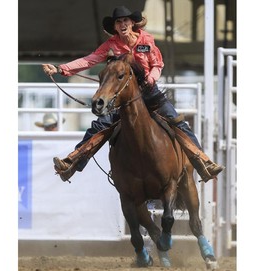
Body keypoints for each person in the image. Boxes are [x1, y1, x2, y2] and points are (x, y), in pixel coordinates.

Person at [42, 6, 224, 182]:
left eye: (125, 20)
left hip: (148, 92)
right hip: (123, 97)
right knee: (99, 127)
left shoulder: (146, 40)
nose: (122, 24)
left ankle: (203, 163)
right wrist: (60, 68)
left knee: (178, 123)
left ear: (132, 23)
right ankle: (72, 163)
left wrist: (151, 79)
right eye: (119, 22)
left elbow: (157, 65)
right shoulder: (111, 45)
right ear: (115, 27)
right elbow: (90, 60)